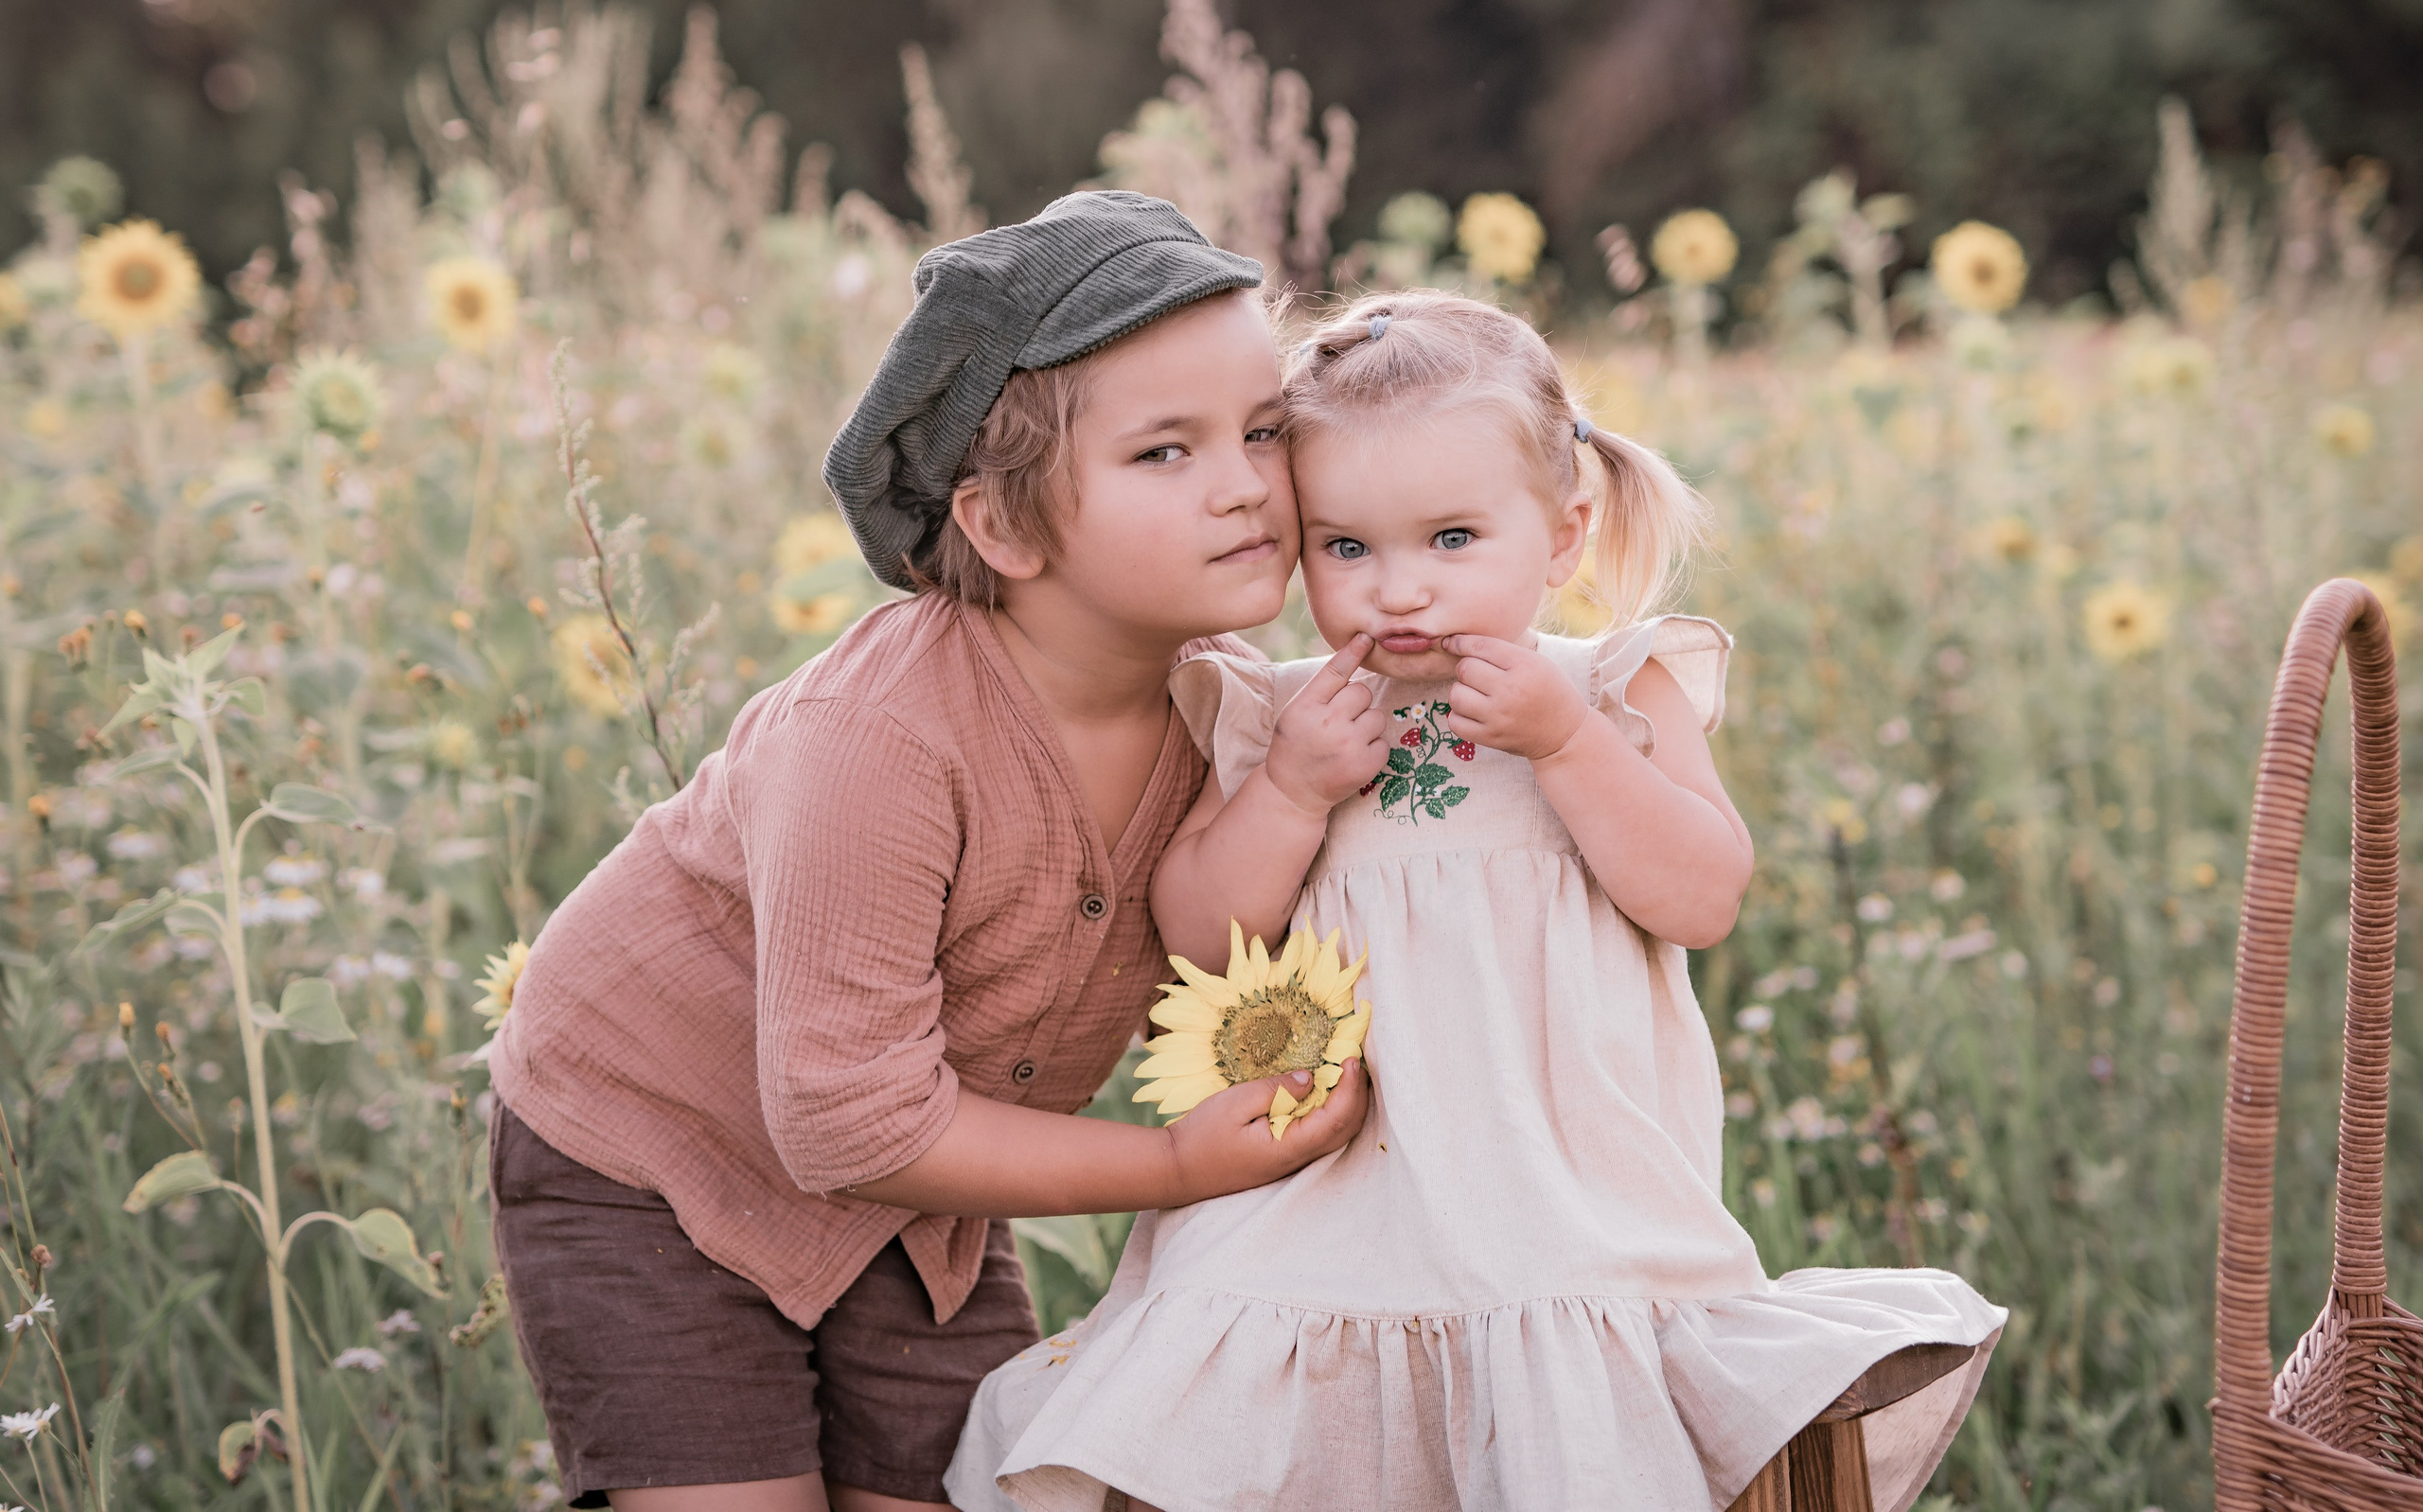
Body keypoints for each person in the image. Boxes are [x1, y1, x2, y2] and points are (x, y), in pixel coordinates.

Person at [950, 290, 2007, 1512]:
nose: (1398, 592)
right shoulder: (1278, 714)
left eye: (1452, 540)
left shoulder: (1611, 689)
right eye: (1346, 548)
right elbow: (1198, 937)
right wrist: (1291, 792)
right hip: (1325, 1211)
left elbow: (1703, 896)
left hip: (1564, 1206)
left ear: (1561, 537)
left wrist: (1570, 750)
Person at [485, 191, 1369, 1512]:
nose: (1245, 485)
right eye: (1163, 455)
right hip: (654, 1156)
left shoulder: (1234, 710)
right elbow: (849, 1116)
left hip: (926, 1192)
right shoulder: (879, 742)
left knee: (959, 1490)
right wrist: (1177, 1169)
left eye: (1259, 432)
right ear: (1004, 528)